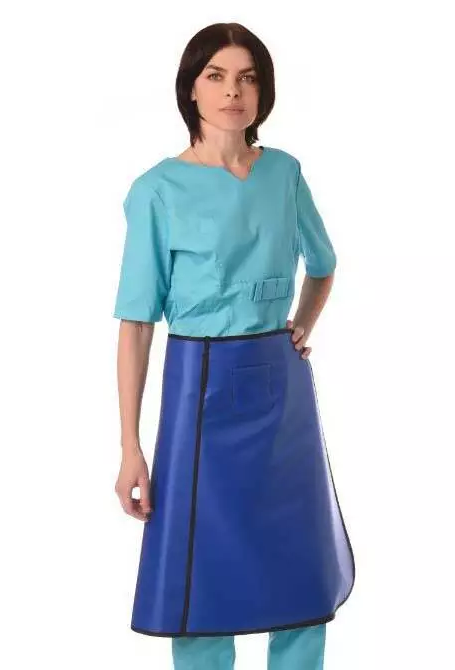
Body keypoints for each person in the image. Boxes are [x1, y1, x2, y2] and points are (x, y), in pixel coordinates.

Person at [113, 22, 355, 670]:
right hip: (200, 389)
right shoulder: (157, 190)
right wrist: (132, 447)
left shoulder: (285, 173)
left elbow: (324, 264)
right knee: (199, 577)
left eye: (247, 78)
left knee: (299, 570)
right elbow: (136, 325)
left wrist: (301, 324)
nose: (232, 92)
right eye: (216, 76)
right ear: (190, 89)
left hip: (282, 390)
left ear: (263, 91)